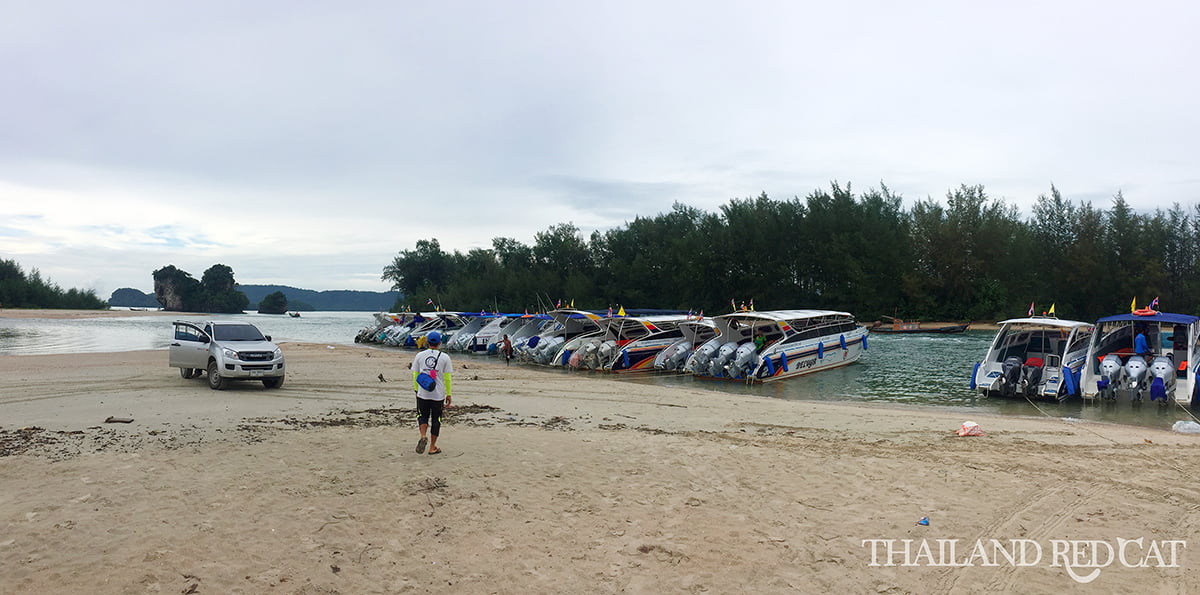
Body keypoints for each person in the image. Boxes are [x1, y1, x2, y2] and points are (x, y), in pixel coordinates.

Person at [412, 330, 453, 455]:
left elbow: (415, 375)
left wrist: (416, 389)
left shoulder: (419, 356)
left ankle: (423, 435)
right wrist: (449, 393)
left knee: (422, 416)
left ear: (427, 342)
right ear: (440, 343)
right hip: (438, 394)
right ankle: (432, 447)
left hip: (423, 392)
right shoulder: (445, 357)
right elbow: (447, 377)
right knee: (437, 419)